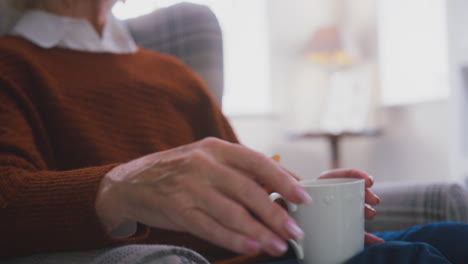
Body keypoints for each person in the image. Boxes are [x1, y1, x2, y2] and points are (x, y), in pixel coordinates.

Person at [0, 1, 466, 264]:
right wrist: (118, 186)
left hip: (276, 255)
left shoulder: (172, 73)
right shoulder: (12, 64)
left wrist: (291, 203)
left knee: (454, 236)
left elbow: (242, 182)